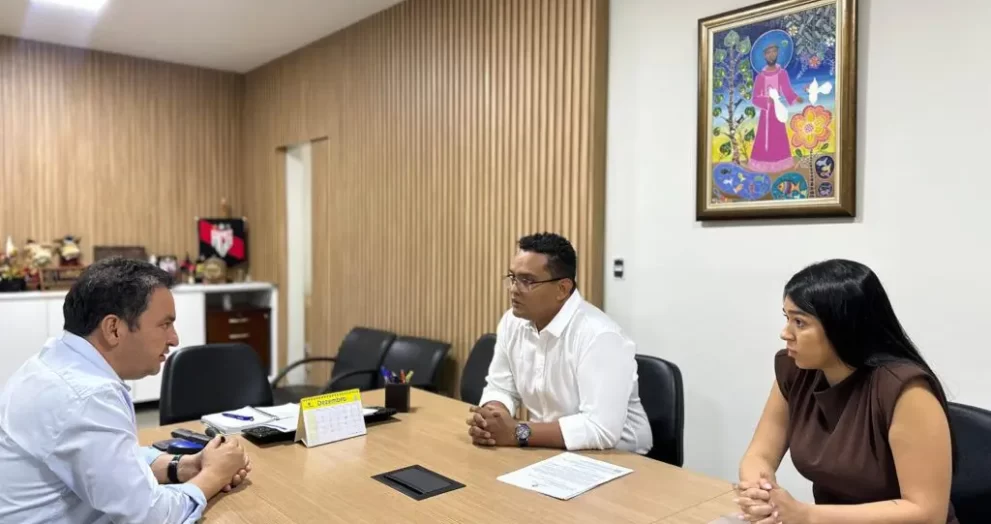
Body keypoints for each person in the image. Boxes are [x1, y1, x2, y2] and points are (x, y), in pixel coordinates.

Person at [0, 258, 251, 523]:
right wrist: (215, 475)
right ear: (114, 329)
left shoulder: (52, 363)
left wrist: (184, 466)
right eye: (165, 324)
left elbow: (108, 461)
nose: (174, 339)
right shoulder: (87, 397)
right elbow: (152, 517)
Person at [735, 259, 956, 524]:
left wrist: (806, 515)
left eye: (800, 322)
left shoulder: (905, 390)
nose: (785, 333)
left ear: (842, 326)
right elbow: (759, 455)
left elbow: (927, 513)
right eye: (787, 318)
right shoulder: (795, 369)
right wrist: (761, 493)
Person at [465, 233, 652, 453]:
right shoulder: (512, 322)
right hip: (549, 447)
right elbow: (500, 387)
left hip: (619, 456)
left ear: (562, 289)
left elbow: (600, 429)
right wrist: (492, 420)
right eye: (513, 278)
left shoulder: (600, 336)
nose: (514, 289)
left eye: (527, 281)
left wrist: (516, 432)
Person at [748, 43, 802, 173]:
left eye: (774, 52)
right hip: (766, 113)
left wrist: (796, 98)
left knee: (779, 136)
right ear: (764, 56)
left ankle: (781, 164)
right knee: (764, 138)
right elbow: (755, 98)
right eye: (768, 52)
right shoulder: (761, 77)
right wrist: (767, 100)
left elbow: (787, 91)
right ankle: (762, 164)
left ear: (777, 53)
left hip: (778, 110)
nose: (771, 55)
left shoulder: (782, 73)